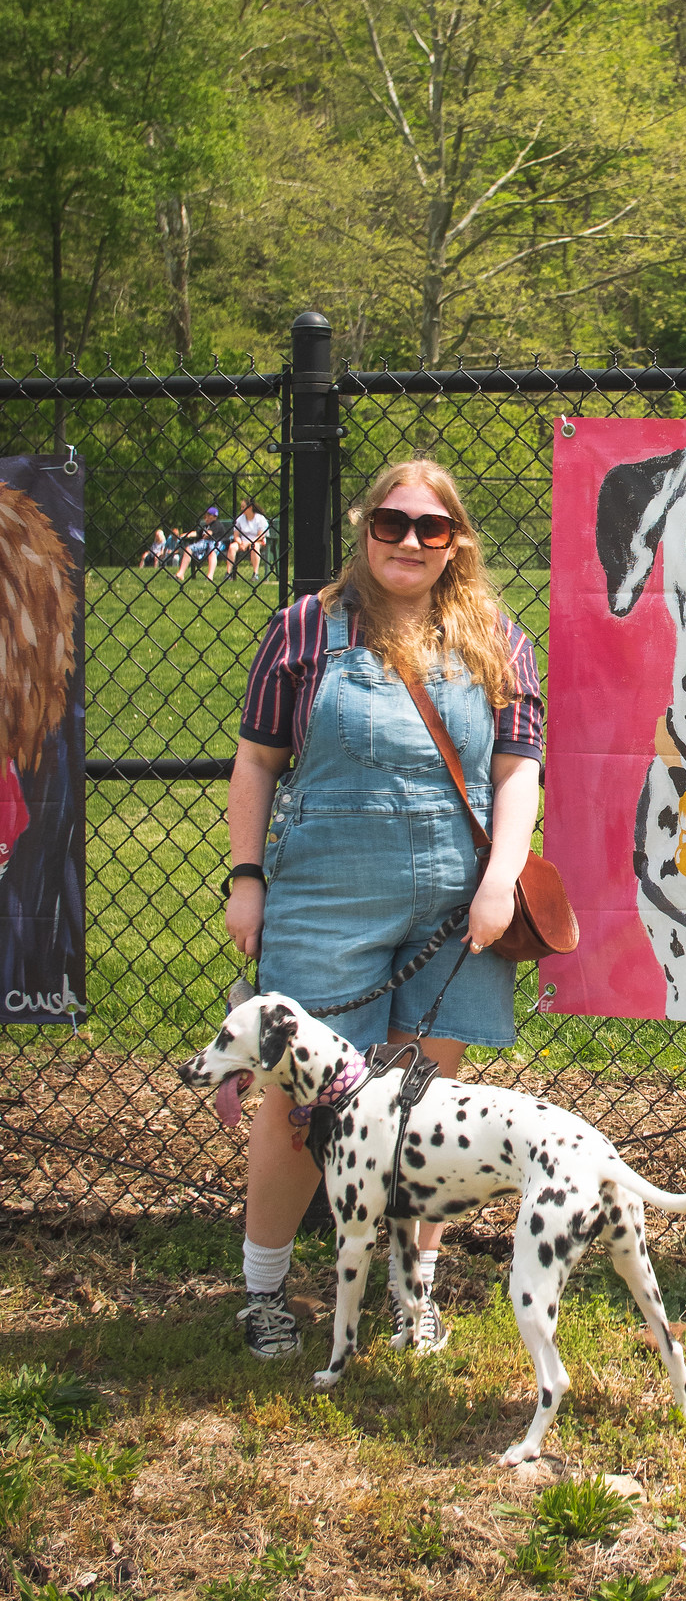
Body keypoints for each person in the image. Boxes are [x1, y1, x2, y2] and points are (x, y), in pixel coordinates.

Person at [224, 459, 543, 1361]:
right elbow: (256, 761)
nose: (409, 542)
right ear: (364, 529)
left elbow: (519, 771)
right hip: (325, 901)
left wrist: (500, 878)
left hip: (456, 912)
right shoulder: (306, 631)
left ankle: (415, 1294)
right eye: (392, 524)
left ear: (457, 543)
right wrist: (246, 878)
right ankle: (263, 1291)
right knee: (302, 1109)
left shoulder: (494, 637)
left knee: (419, 1107)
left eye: (431, 529)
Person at [175, 506, 233, 583]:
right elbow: (196, 533)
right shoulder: (205, 526)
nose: (206, 517)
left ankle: (210, 576)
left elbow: (209, 533)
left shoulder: (217, 524)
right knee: (188, 549)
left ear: (215, 517)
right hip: (204, 544)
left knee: (212, 551)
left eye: (209, 515)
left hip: (217, 543)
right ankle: (180, 574)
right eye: (206, 515)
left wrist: (206, 535)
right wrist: (186, 534)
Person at [226, 499, 270, 580]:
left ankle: (255, 574)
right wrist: (240, 543)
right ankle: (228, 573)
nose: (241, 509)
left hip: (257, 541)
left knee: (254, 547)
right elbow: (236, 535)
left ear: (250, 507)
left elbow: (260, 535)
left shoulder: (260, 518)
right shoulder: (240, 519)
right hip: (242, 542)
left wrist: (249, 543)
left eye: (243, 507)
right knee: (232, 547)